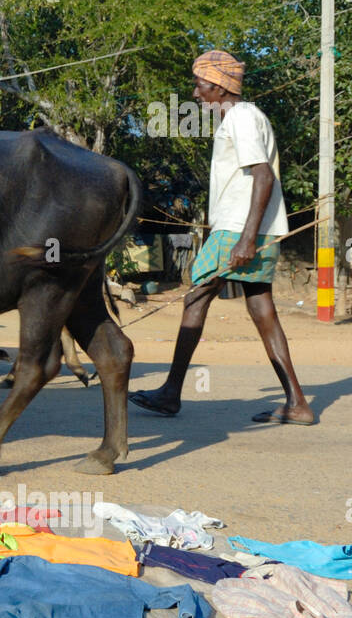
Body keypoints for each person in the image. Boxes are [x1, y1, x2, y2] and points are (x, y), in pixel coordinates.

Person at [129, 50, 315, 425]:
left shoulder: (242, 118)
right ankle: (297, 403)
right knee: (262, 311)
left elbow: (262, 176)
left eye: (199, 86)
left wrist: (246, 240)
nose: (197, 95)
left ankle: (170, 393)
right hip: (254, 228)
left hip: (238, 230)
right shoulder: (243, 117)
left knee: (195, 298)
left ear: (216, 85)